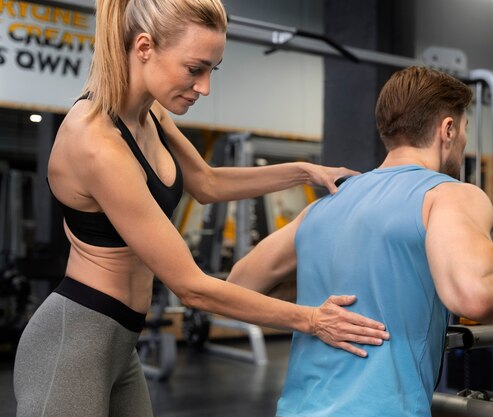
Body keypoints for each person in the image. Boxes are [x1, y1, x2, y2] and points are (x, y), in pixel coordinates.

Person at [12, 0, 391, 416]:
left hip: (121, 344)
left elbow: (207, 183)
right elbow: (190, 286)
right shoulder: (96, 144)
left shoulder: (151, 114)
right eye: (195, 69)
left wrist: (304, 171)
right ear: (144, 48)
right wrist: (312, 320)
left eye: (213, 69)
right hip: (74, 342)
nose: (205, 87)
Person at [227, 66, 493, 417]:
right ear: (447, 129)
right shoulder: (446, 194)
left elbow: (239, 285)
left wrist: (312, 309)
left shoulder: (325, 205)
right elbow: (475, 294)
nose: (462, 143)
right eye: (463, 131)